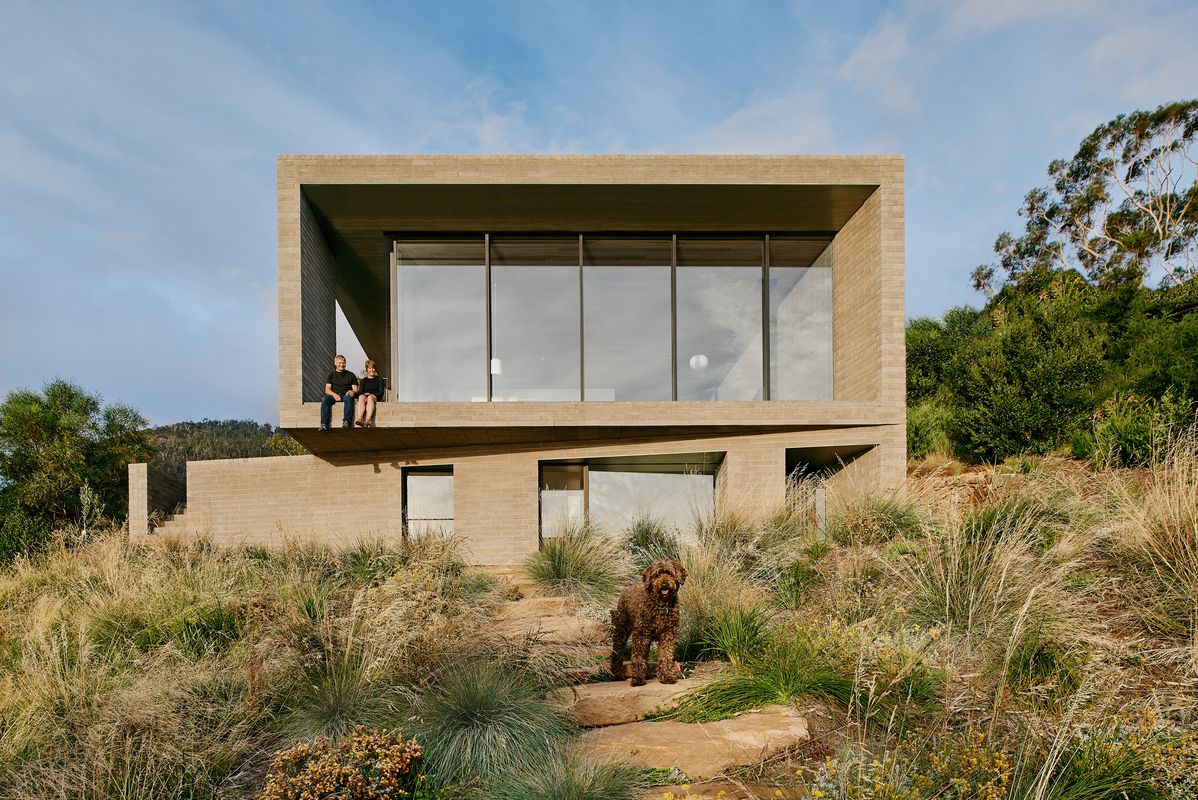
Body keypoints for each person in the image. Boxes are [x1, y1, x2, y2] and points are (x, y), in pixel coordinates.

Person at [320, 354, 358, 430]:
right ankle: (324, 424)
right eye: (339, 363)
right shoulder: (331, 375)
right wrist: (334, 395)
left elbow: (355, 389)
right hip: (334, 395)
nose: (342, 365)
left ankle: (346, 422)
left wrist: (352, 391)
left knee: (349, 398)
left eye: (343, 363)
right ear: (335, 363)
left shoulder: (351, 375)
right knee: (325, 399)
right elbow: (327, 390)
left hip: (346, 394)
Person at [355, 360, 383, 427]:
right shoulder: (363, 380)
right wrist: (353, 393)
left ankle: (368, 419)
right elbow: (360, 392)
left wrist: (373, 395)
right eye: (370, 368)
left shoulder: (379, 379)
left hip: (375, 397)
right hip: (365, 396)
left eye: (373, 368)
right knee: (361, 397)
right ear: (367, 369)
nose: (372, 370)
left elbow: (381, 392)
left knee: (370, 397)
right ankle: (360, 419)